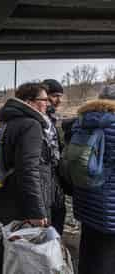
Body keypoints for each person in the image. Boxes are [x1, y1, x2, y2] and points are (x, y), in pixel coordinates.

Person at [0, 83, 54, 274]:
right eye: (43, 100)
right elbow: (28, 170)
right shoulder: (31, 125)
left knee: (10, 247)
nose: (47, 104)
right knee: (20, 253)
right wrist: (37, 211)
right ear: (29, 102)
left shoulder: (7, 122)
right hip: (23, 202)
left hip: (7, 195)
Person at [70, 84, 115, 274]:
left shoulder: (81, 121)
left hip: (87, 198)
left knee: (90, 249)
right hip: (110, 204)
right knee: (108, 255)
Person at [42, 79, 68, 236]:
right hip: (46, 178)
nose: (59, 100)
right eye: (55, 95)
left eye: (60, 96)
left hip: (52, 178)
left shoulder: (51, 117)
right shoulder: (40, 119)